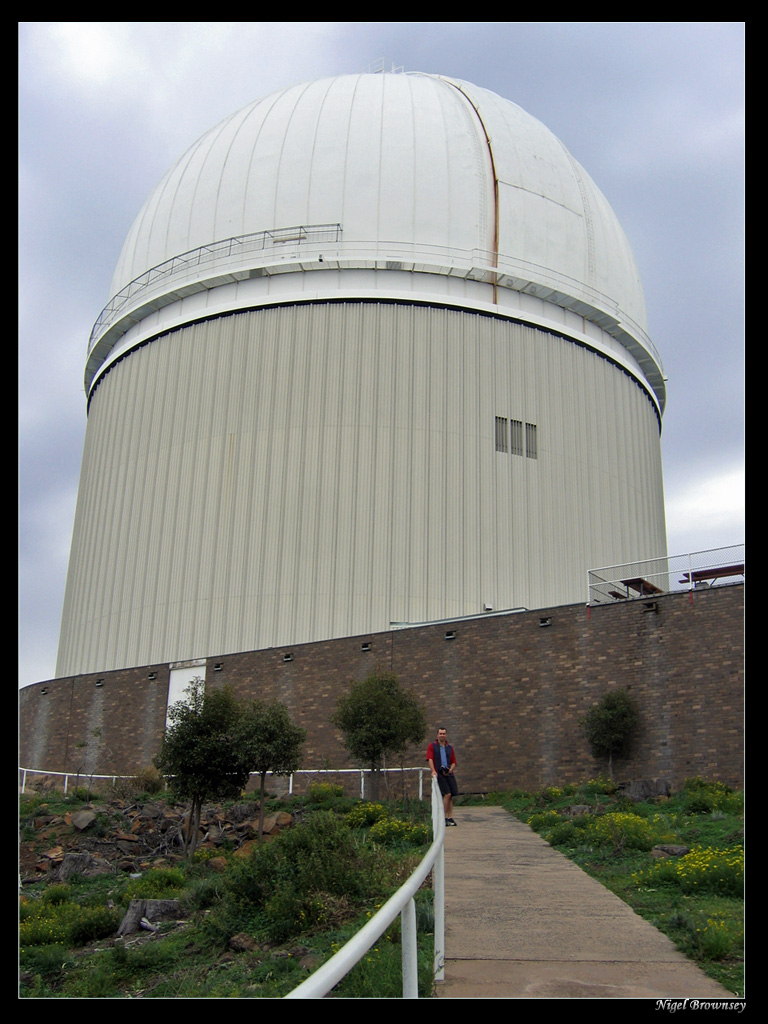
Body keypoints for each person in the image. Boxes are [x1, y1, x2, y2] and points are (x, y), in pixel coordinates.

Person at [427, 727, 458, 825]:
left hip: (449, 773)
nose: (442, 735)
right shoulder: (433, 746)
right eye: (440, 733)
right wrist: (433, 771)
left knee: (451, 795)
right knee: (447, 794)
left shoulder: (449, 747)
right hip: (439, 774)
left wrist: (450, 770)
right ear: (437, 735)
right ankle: (443, 817)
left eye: (444, 733)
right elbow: (430, 759)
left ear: (446, 735)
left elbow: (453, 762)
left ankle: (450, 817)